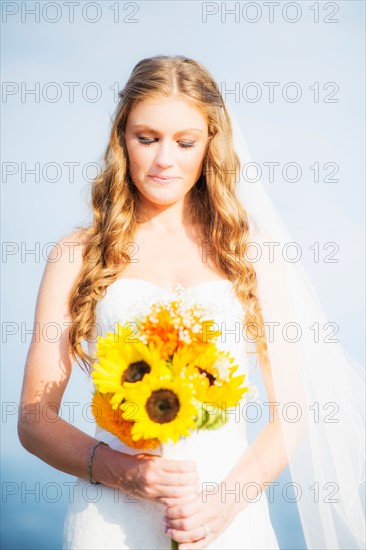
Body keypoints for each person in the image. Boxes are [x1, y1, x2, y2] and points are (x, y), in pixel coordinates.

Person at [17, 55, 365, 550]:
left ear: (210, 144)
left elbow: (293, 413)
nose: (164, 160)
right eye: (146, 138)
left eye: (185, 143)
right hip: (111, 522)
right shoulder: (77, 253)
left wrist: (223, 506)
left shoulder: (253, 253)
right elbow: (34, 418)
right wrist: (123, 473)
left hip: (225, 519)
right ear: (121, 138)